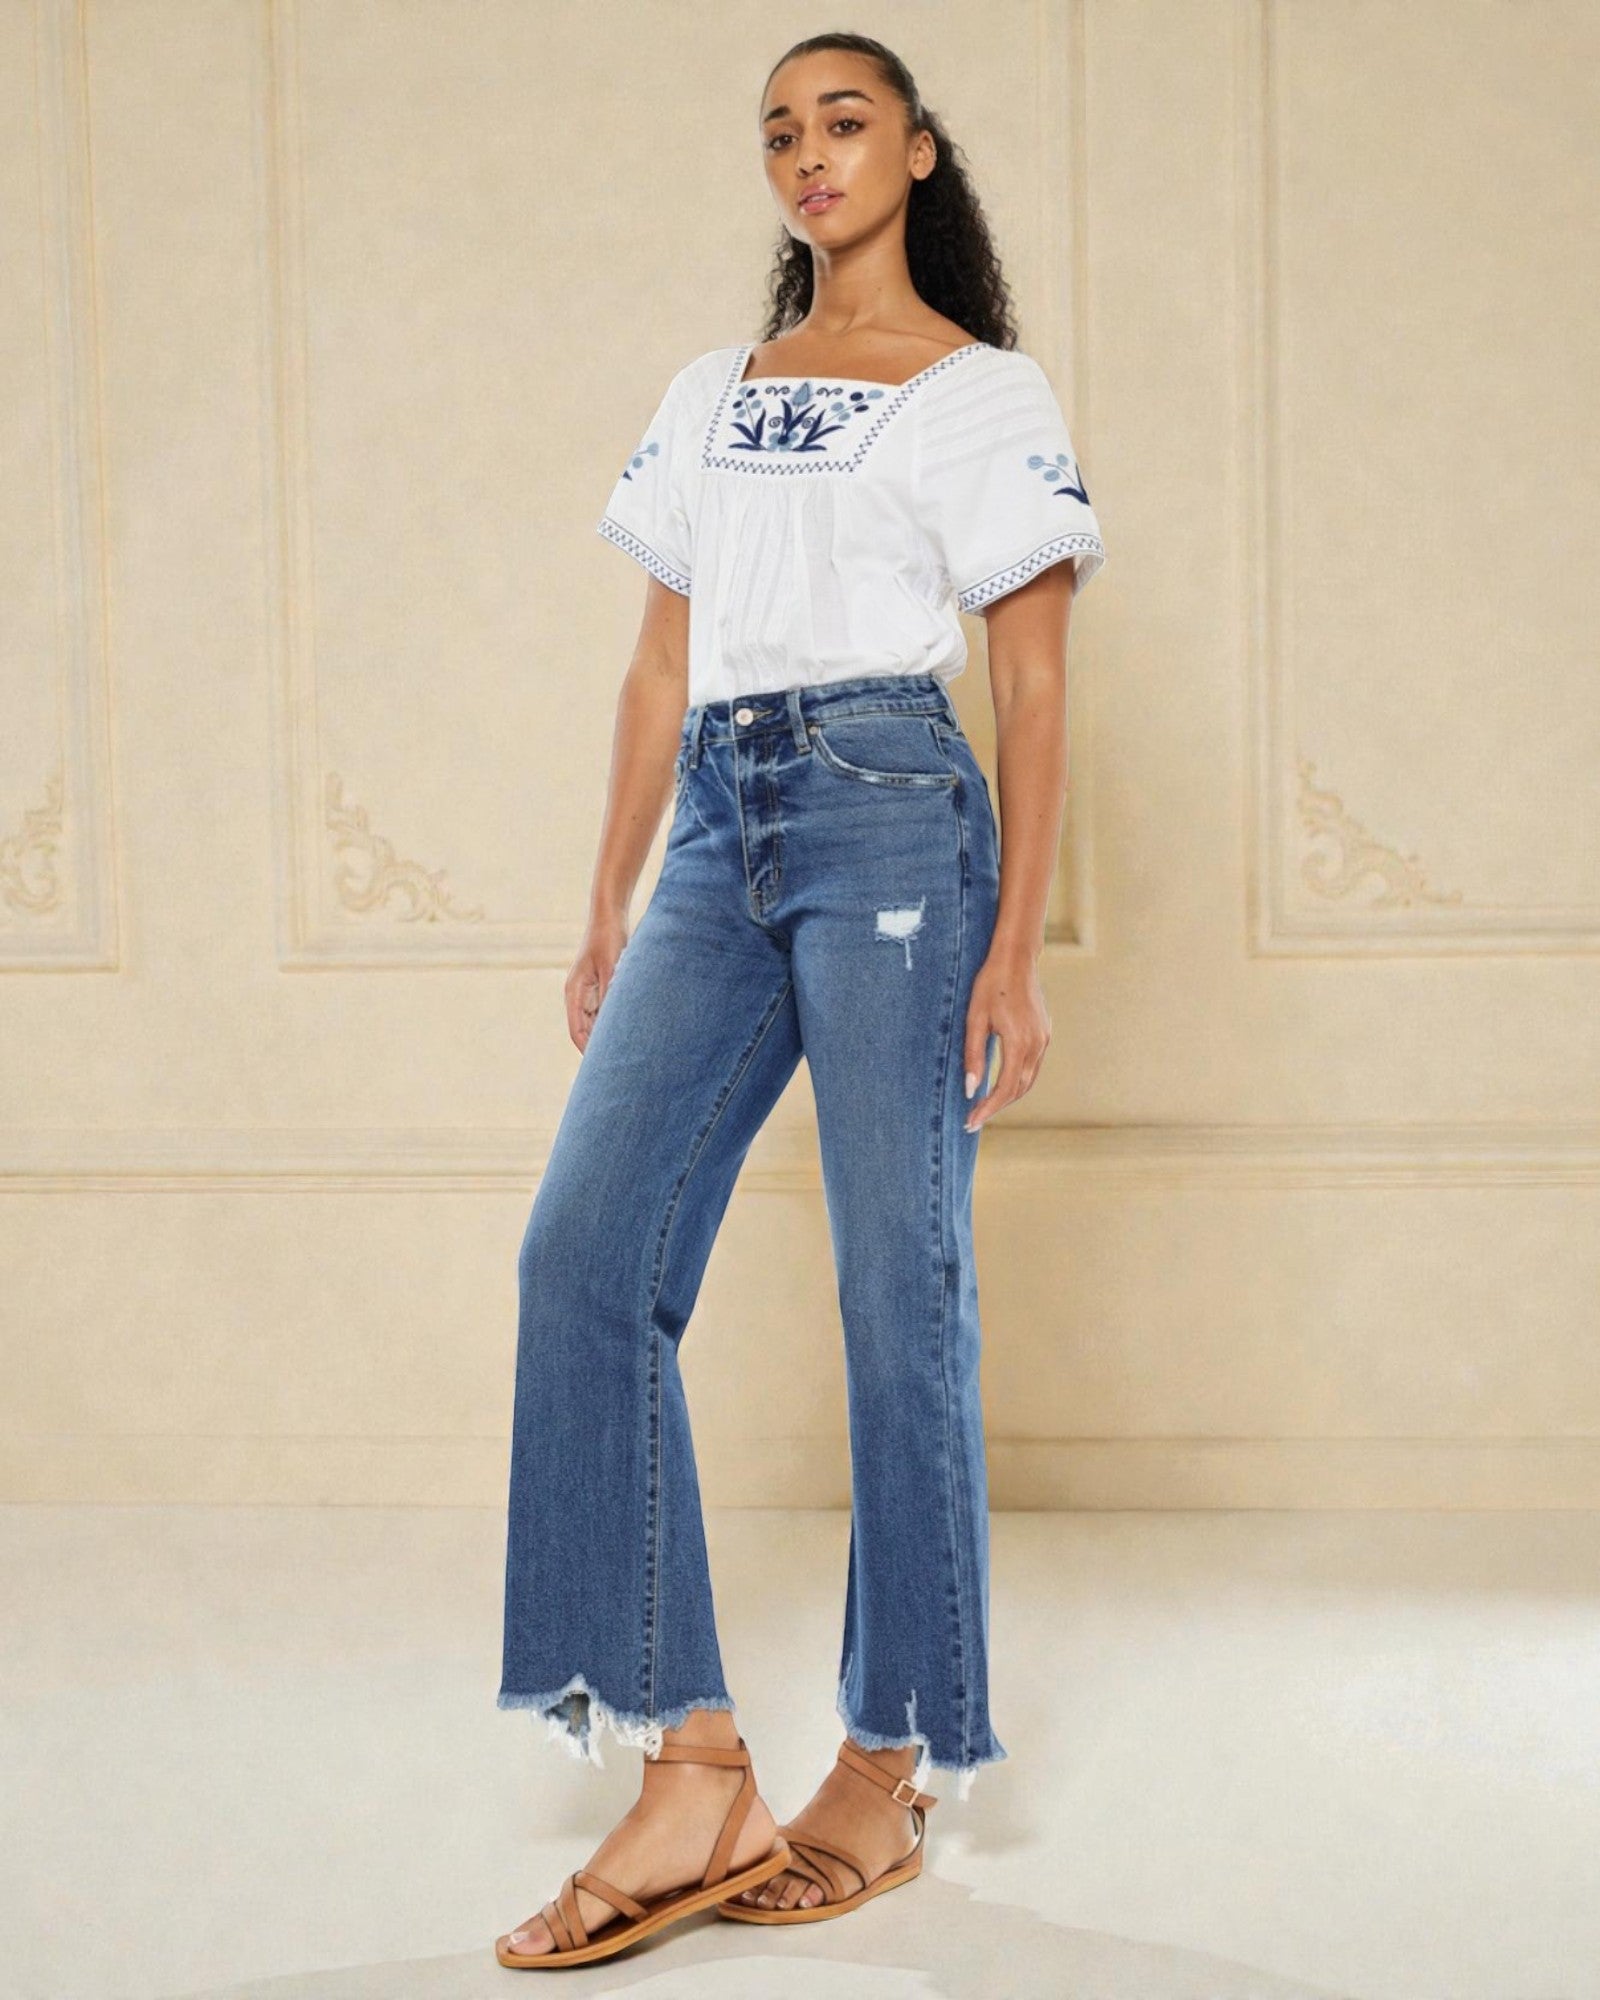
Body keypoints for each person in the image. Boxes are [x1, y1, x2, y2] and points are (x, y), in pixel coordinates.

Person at [494, 29, 1106, 1971]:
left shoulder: (982, 391)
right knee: (583, 1259)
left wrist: (1014, 946)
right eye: (780, 132)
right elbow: (655, 667)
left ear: (917, 151)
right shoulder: (713, 389)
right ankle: (690, 1765)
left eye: (844, 121)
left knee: (894, 1288)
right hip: (716, 828)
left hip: (891, 820)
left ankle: (891, 1761)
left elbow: (1030, 680)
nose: (809, 154)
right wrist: (608, 900)